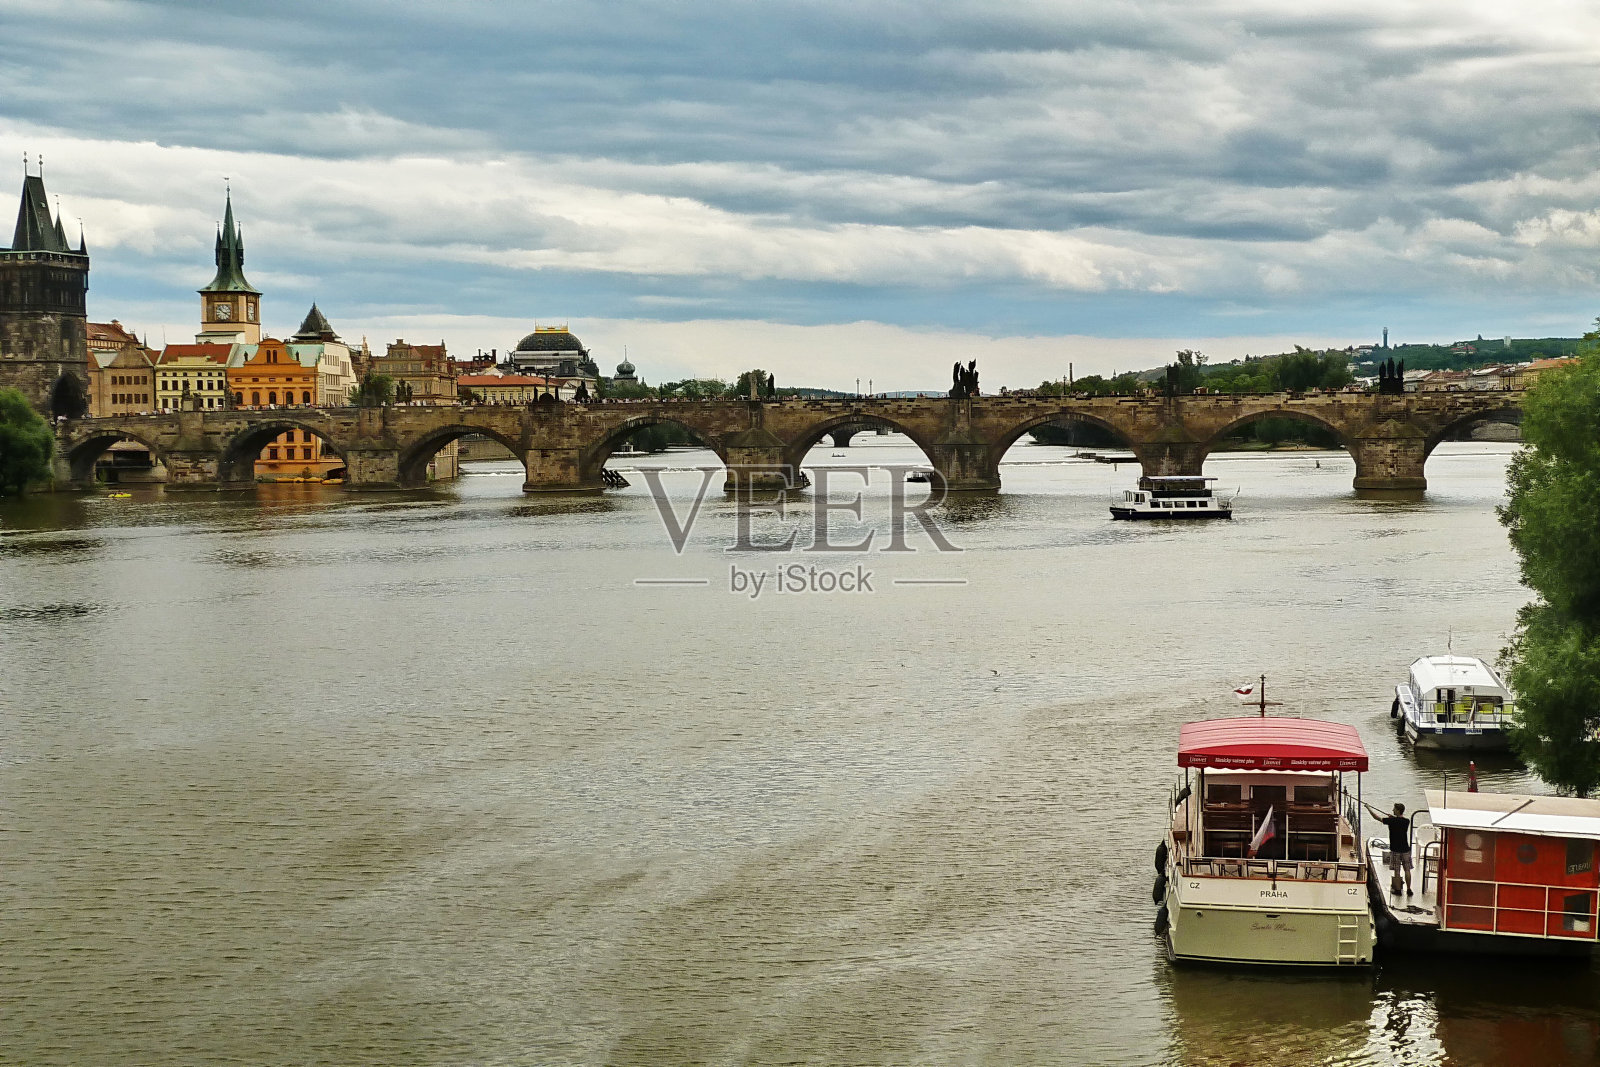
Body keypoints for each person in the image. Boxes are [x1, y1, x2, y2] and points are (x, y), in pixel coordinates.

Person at [1365, 800, 1413, 895]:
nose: (1392, 810)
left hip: (1395, 849)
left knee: (1397, 870)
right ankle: (1408, 889)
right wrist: (1392, 817)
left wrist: (1368, 808)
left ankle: (1398, 889)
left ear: (1398, 810)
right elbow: (1399, 820)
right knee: (1407, 870)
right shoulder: (1407, 821)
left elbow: (1376, 817)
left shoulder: (1391, 821)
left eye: (1394, 809)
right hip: (1405, 849)